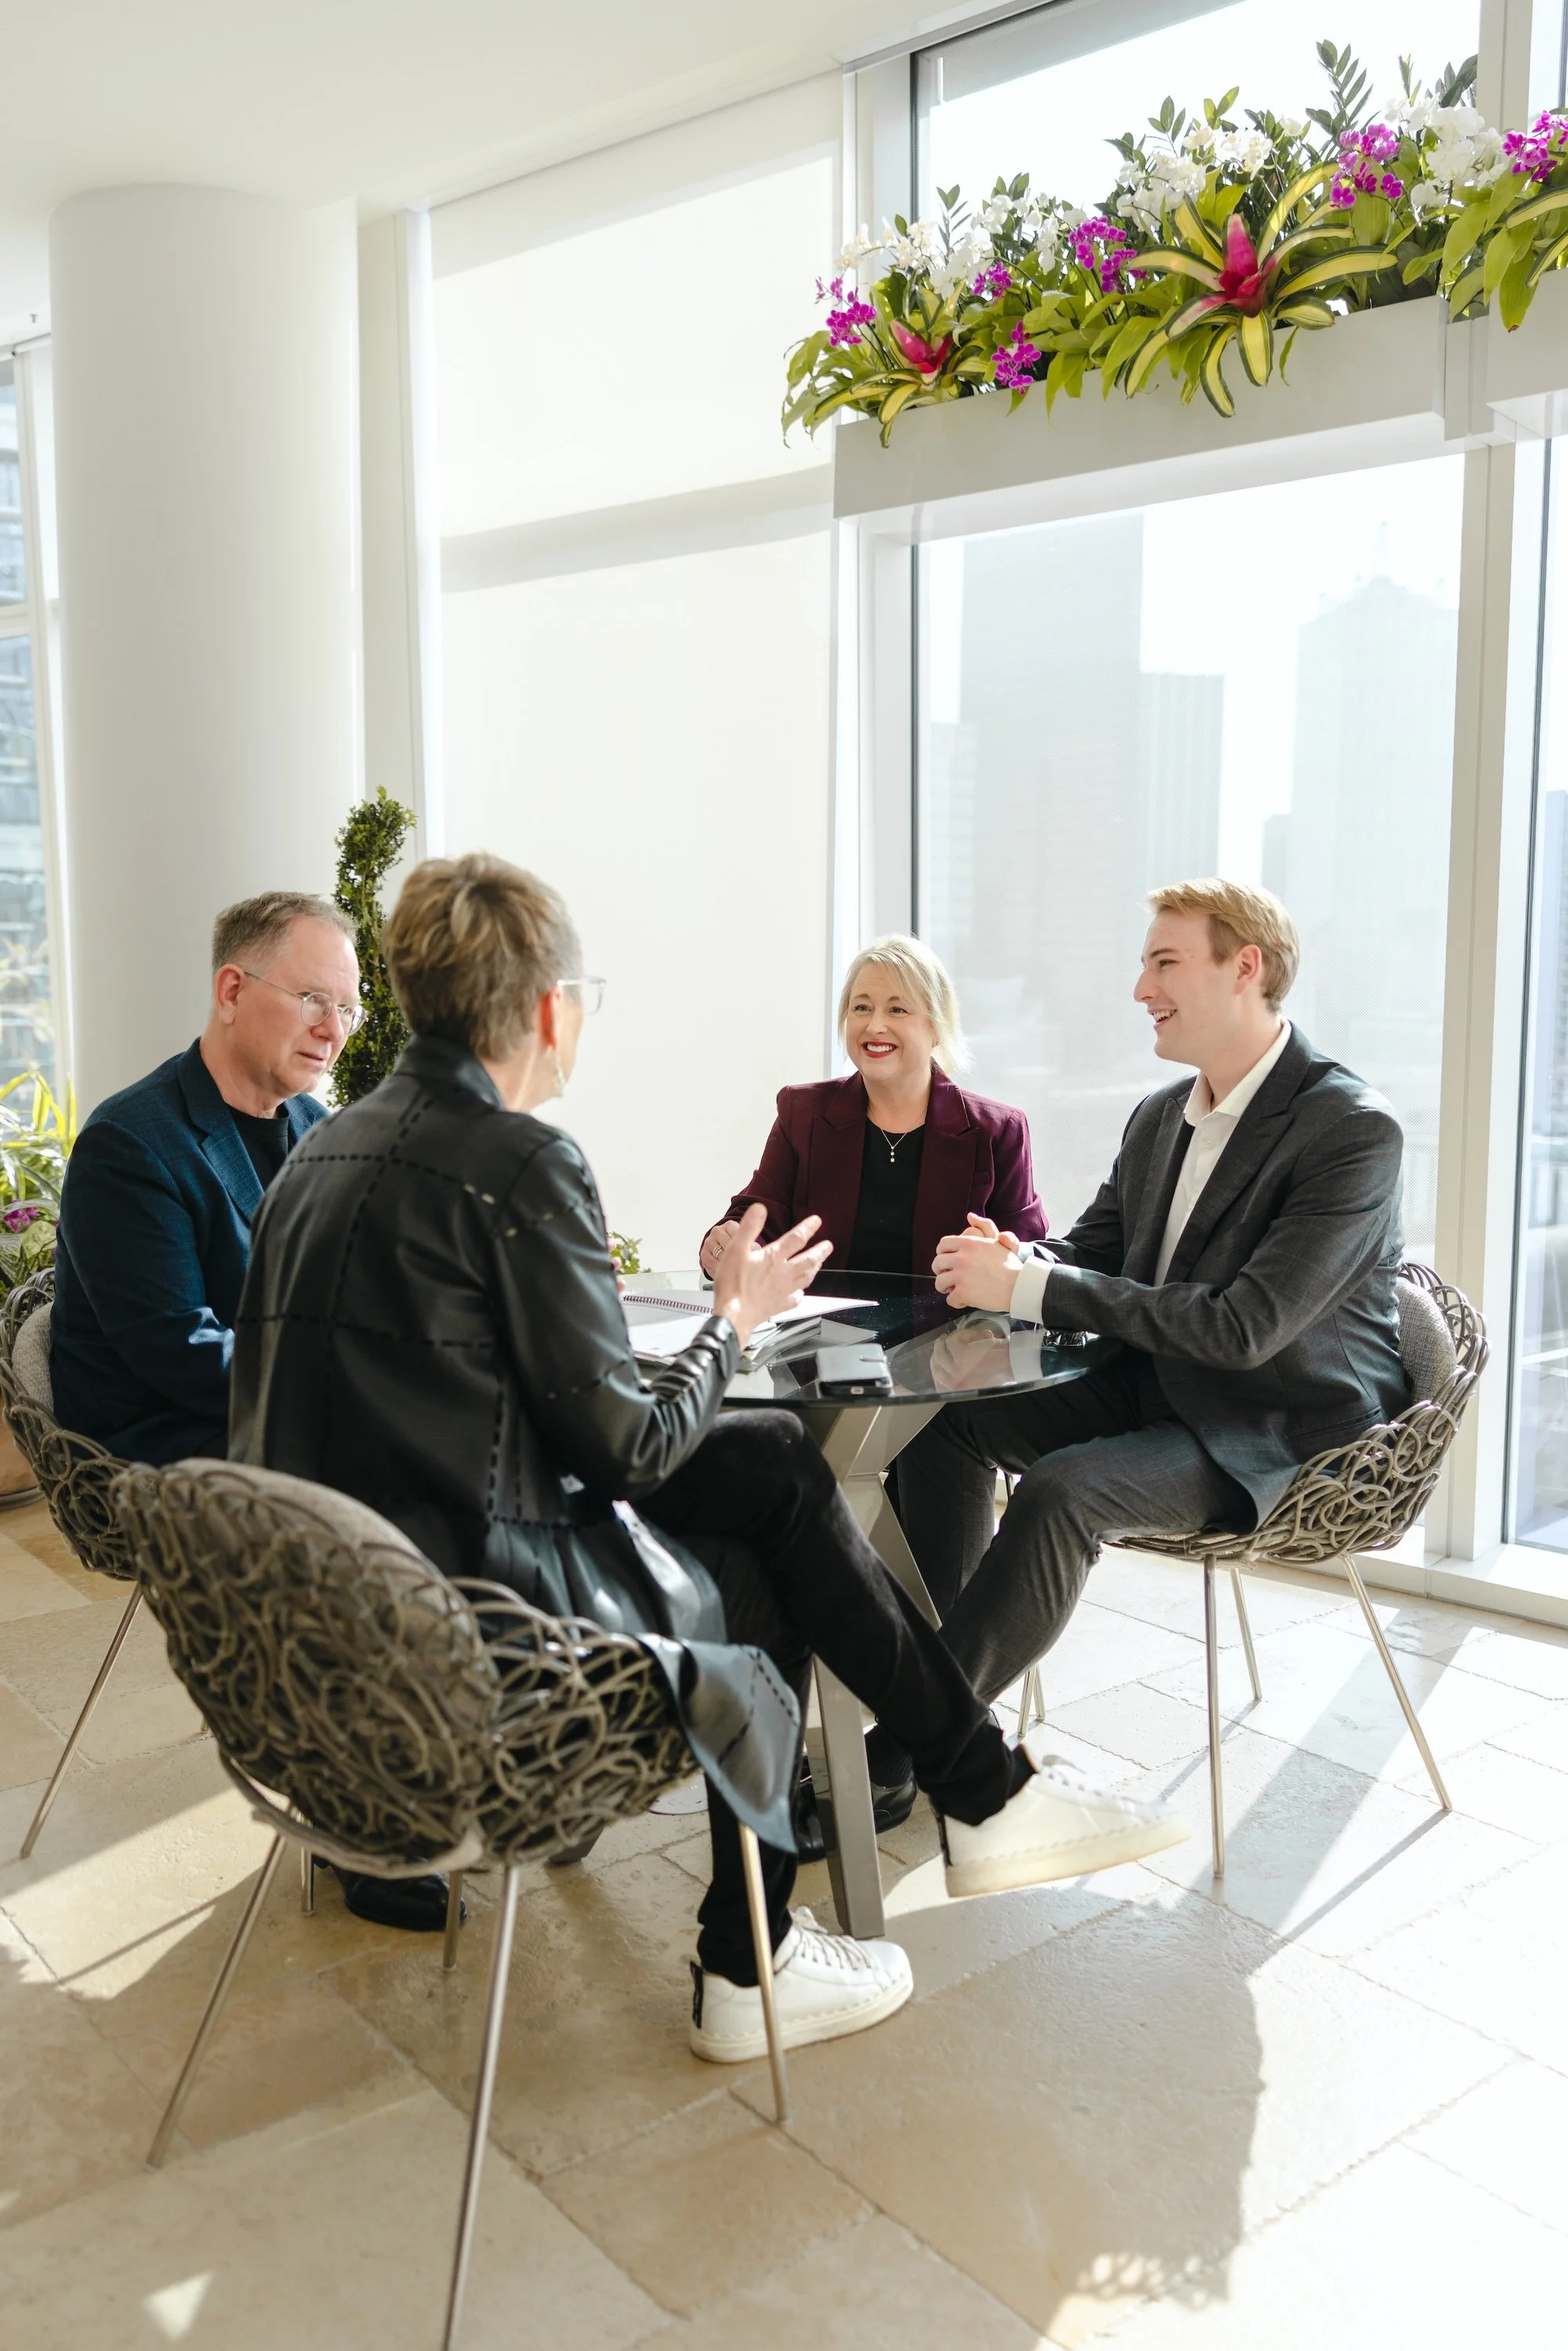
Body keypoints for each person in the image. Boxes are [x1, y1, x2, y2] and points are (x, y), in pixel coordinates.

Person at [230, 852, 1185, 2061]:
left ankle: (958, 1806)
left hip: (333, 1613)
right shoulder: (523, 1160)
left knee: (777, 1462)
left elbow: (453, 1399)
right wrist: (731, 1320)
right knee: (763, 1544)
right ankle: (784, 1935)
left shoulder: (319, 1152)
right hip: (475, 1628)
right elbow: (626, 1450)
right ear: (546, 1006)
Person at [893, 878, 1412, 1732]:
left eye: (1163, 963)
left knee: (1062, 1491)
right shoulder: (1159, 1114)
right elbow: (1093, 1250)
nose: (1141, 990)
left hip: (1272, 1426)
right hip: (1154, 1387)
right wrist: (1016, 1258)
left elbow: (1241, 1327)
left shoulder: (1350, 1129)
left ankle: (920, 1738)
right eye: (1143, 966)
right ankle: (954, 1694)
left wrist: (1029, 1285)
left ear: (1243, 967)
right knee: (939, 1415)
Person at [52, 891, 360, 1463]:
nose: (333, 1031)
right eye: (315, 1000)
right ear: (232, 991)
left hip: (270, 1406)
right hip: (163, 1438)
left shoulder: (318, 1129)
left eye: (347, 1010)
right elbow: (182, 1350)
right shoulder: (128, 1143)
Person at [699, 935, 1047, 1283]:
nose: (875, 1025)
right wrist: (728, 1246)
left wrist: (1004, 1260)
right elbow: (756, 1216)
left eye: (897, 1009)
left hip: (952, 1334)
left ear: (937, 1028)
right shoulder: (802, 1112)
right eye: (862, 1007)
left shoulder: (998, 1130)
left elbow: (1030, 1259)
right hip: (821, 1333)